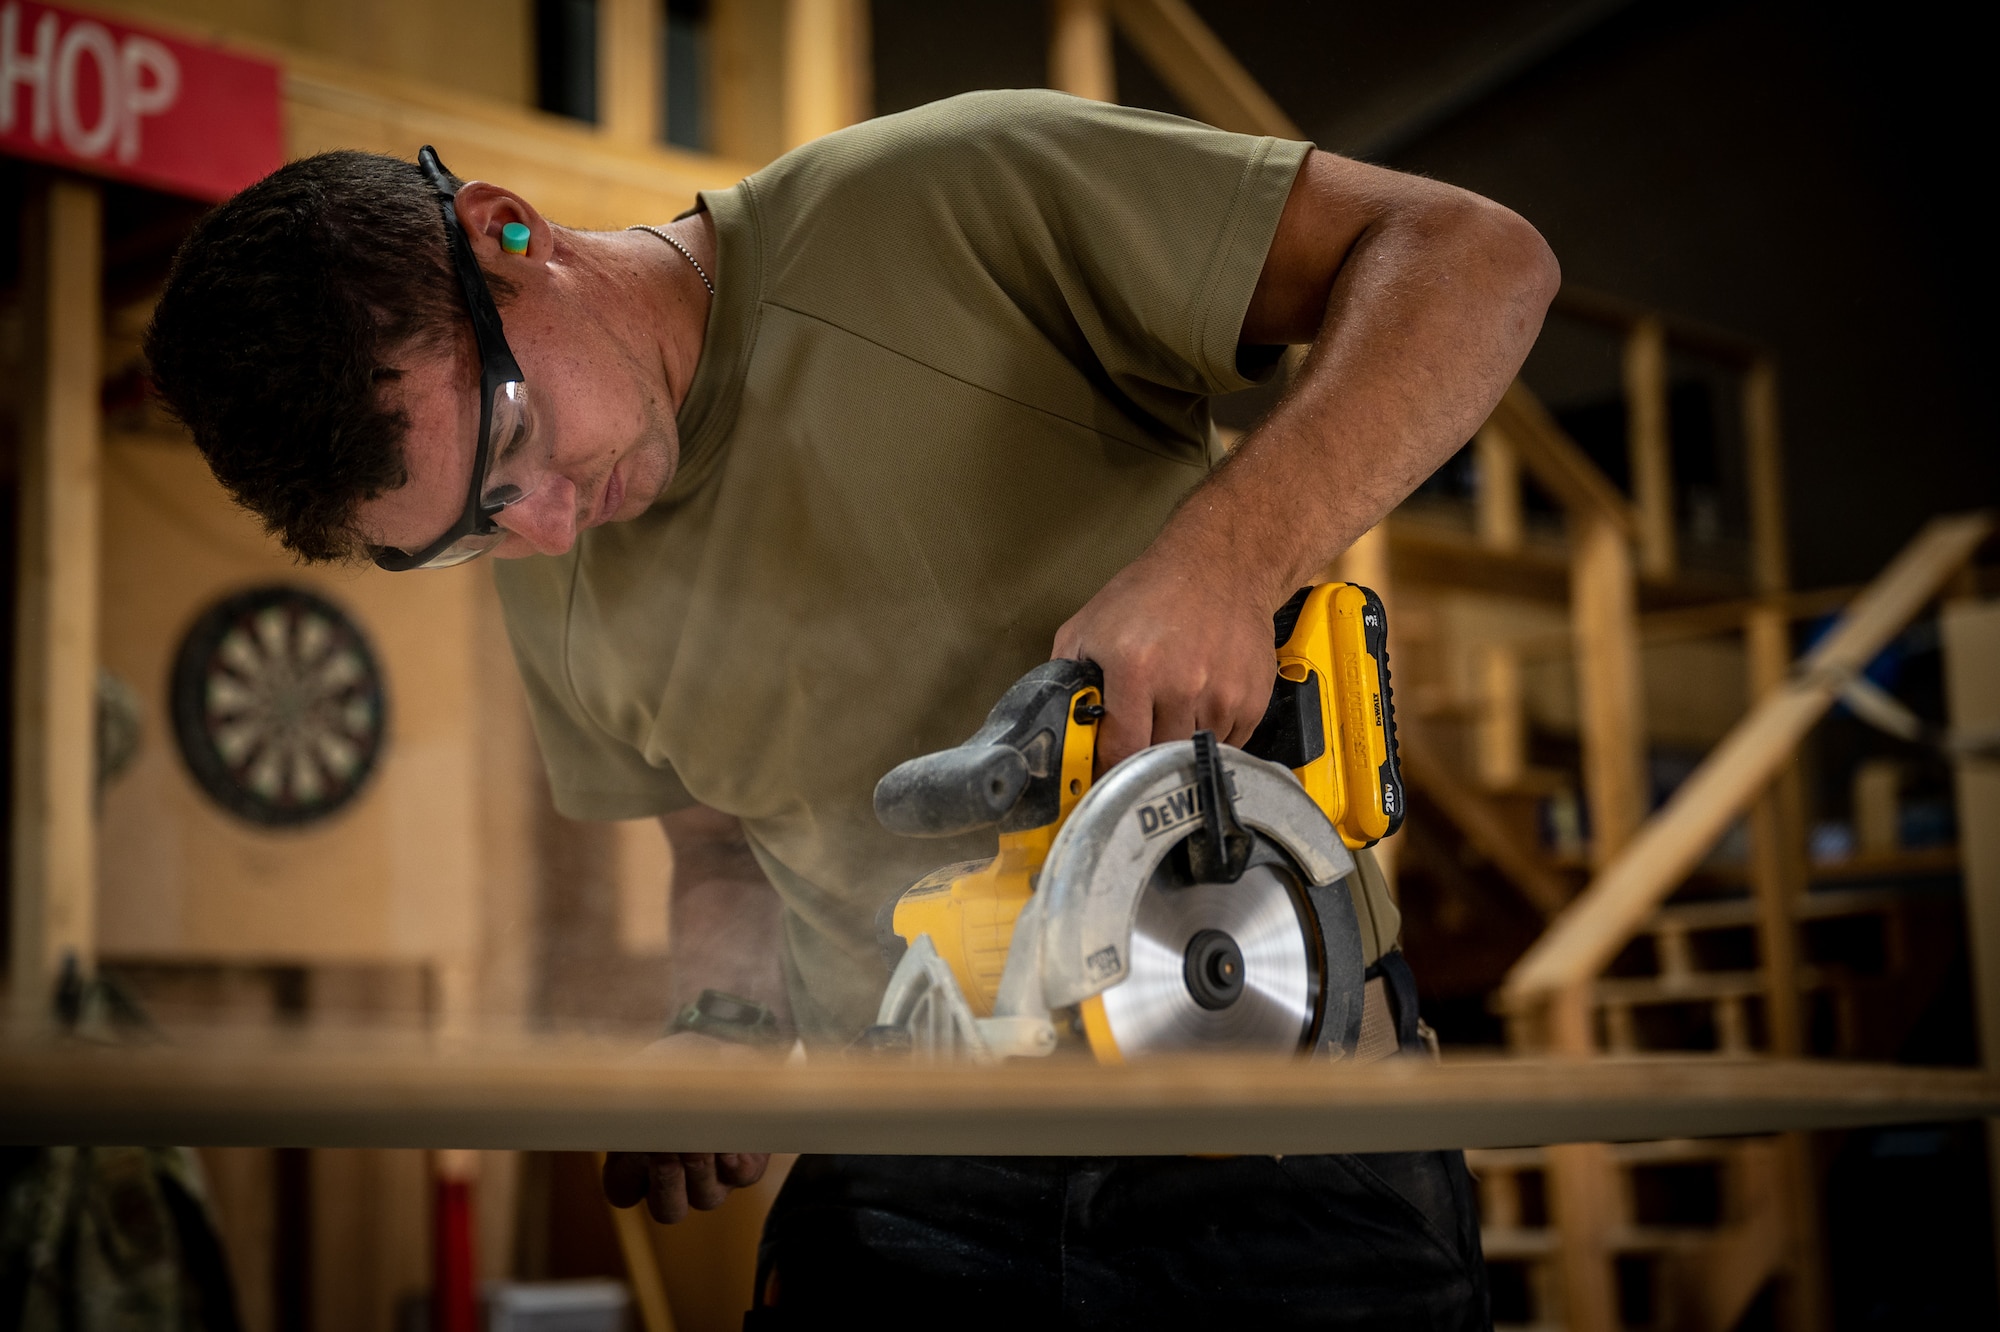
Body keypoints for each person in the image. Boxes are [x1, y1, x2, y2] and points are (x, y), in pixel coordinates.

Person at [146, 90, 1557, 1327]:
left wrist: (1227, 560)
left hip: (1270, 1123)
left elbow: (1476, 258)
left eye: (516, 442)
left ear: (515, 235)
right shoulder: (550, 573)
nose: (552, 523)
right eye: (476, 525)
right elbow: (719, 838)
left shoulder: (948, 198)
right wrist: (719, 1021)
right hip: (908, 1190)